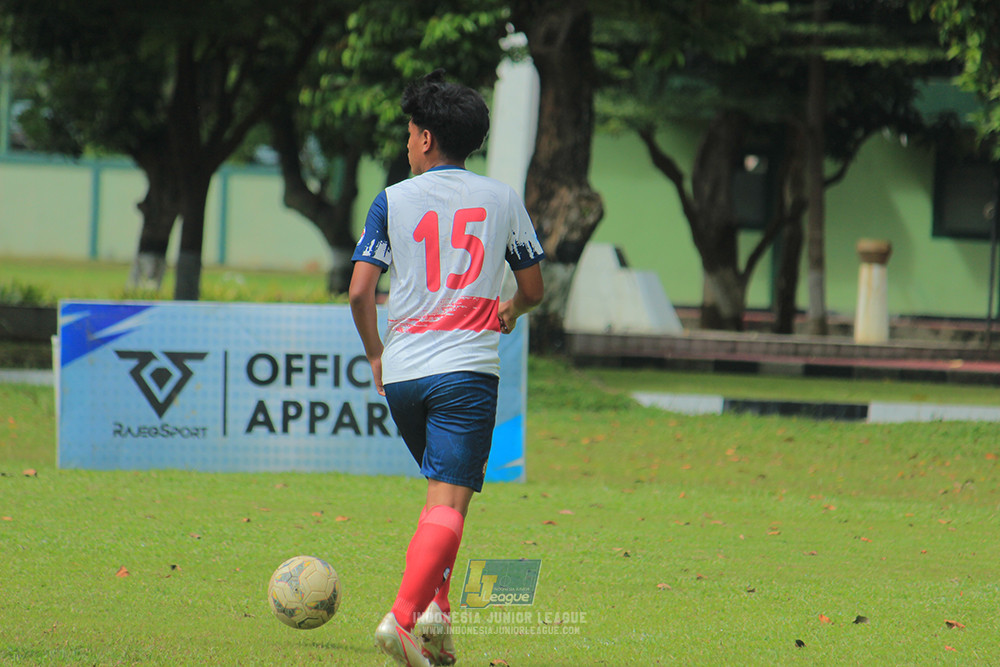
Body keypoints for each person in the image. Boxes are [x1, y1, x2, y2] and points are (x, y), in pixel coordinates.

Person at [348, 70, 545, 667]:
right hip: (466, 372)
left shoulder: (392, 200)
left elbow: (360, 292)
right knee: (450, 508)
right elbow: (535, 287)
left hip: (405, 374)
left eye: (409, 132)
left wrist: (377, 354)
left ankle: (439, 621)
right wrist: (510, 309)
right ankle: (402, 621)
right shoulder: (502, 199)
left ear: (427, 138)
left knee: (440, 502)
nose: (407, 143)